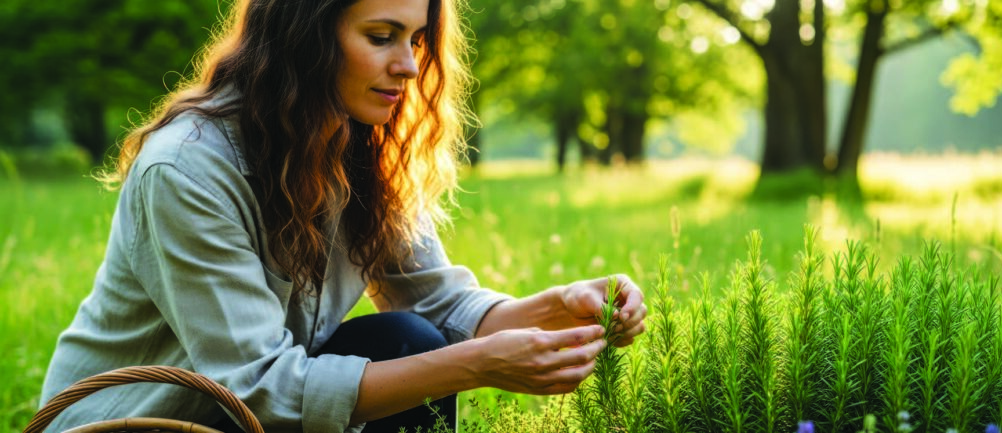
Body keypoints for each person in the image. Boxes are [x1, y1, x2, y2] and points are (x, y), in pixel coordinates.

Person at [39, 0, 647, 431]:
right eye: (381, 36)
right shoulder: (186, 169)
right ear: (304, 37)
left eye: (415, 40)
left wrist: (562, 305)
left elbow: (442, 305)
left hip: (247, 421)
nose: (409, 66)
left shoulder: (364, 150)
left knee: (402, 338)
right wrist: (476, 365)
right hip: (137, 423)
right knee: (411, 351)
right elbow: (261, 388)